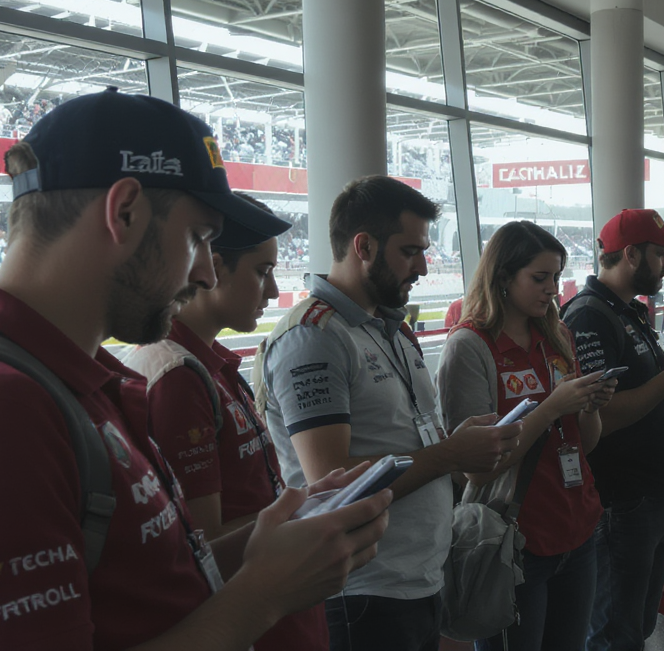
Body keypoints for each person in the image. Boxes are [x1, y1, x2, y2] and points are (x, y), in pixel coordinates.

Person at [0, 88, 390, 651]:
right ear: (124, 212)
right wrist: (262, 596)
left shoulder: (70, 382)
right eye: (198, 238)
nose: (207, 273)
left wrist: (276, 539)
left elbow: (148, 581)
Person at [255, 175, 522, 650]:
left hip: (418, 576)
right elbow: (334, 482)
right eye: (410, 251)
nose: (423, 265)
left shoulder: (391, 329)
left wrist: (455, 444)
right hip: (363, 590)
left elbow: (404, 441)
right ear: (363, 246)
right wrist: (449, 455)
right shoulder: (314, 337)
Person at [126, 193, 329, 650]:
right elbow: (203, 545)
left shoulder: (206, 365)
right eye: (262, 272)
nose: (274, 292)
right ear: (213, 268)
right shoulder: (177, 375)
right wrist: (308, 514)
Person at [437, 221, 614, 651]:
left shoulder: (556, 336)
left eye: (556, 277)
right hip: (512, 540)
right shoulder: (470, 347)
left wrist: (588, 403)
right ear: (503, 276)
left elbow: (585, 443)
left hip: (576, 525)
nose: (553, 289)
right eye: (540, 278)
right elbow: (478, 468)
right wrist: (553, 405)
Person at [559, 208, 664, 651]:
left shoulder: (630, 313)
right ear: (630, 254)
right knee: (616, 635)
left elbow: (649, 396)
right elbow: (602, 419)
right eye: (661, 254)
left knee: (636, 628)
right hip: (620, 505)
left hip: (649, 497)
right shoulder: (588, 318)